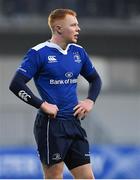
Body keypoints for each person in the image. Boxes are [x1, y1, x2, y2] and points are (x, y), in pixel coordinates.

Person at [9, 8, 102, 179]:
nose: (78, 28)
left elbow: (95, 79)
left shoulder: (78, 52)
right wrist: (42, 104)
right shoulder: (38, 53)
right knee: (54, 176)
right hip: (51, 126)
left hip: (74, 123)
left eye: (77, 25)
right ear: (59, 28)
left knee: (87, 177)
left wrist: (90, 100)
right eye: (73, 25)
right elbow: (16, 84)